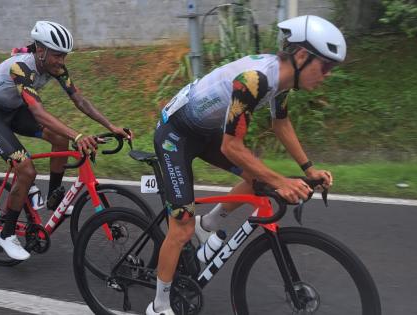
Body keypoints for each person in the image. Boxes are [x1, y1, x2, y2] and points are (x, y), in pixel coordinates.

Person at [147, 15, 343, 314]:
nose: (327, 75)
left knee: (257, 177)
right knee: (181, 227)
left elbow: (281, 124)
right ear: (302, 56)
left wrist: (308, 169)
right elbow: (231, 146)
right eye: (326, 66)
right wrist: (281, 181)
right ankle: (159, 305)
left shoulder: (282, 80)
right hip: (176, 133)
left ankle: (208, 225)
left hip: (204, 131)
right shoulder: (256, 80)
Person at [0, 21, 130, 261]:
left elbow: (80, 101)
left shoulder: (55, 68)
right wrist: (77, 135)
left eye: (64, 56)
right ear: (40, 50)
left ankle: (55, 199)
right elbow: (38, 112)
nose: (61, 61)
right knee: (26, 170)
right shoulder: (20, 68)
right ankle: (7, 233)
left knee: (58, 138)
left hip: (13, 110)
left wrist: (110, 126)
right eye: (57, 55)